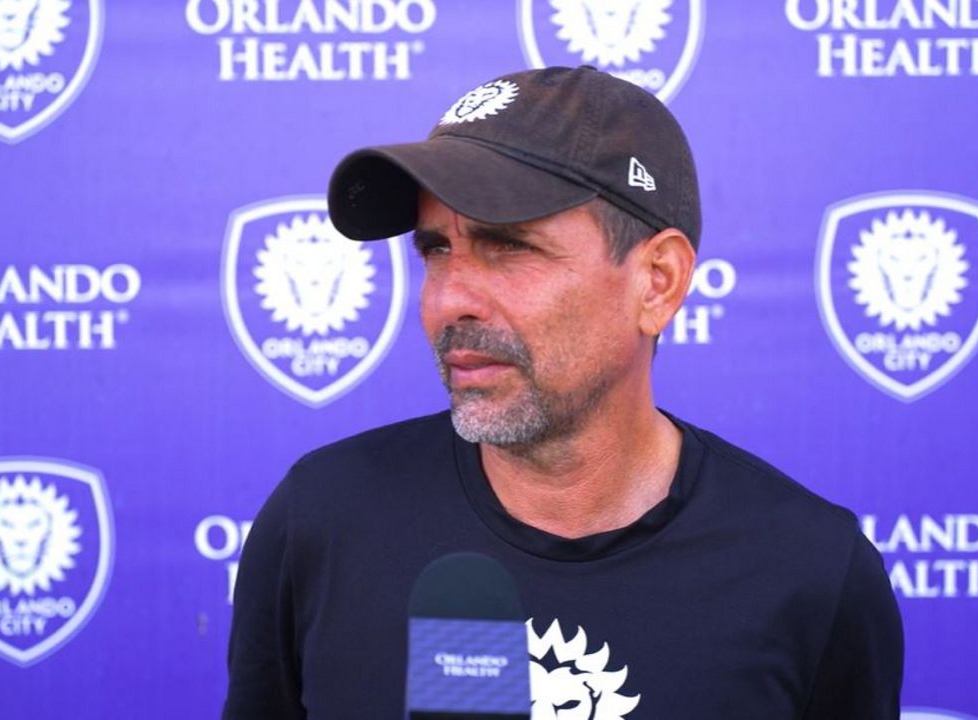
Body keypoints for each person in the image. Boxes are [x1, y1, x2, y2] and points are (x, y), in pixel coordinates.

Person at [223, 66, 903, 719]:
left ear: (657, 282)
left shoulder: (811, 572)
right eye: (435, 250)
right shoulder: (320, 521)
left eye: (508, 247)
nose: (449, 299)